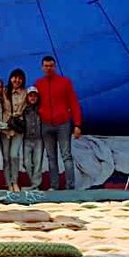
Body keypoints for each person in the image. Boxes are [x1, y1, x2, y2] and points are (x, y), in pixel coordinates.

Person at [34, 55, 83, 190]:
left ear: (55, 67)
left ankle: (70, 186)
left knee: (66, 155)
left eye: (51, 66)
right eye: (46, 66)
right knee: (51, 157)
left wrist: (77, 124)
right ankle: (54, 186)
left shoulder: (65, 82)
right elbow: (33, 103)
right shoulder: (38, 83)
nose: (48, 68)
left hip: (63, 123)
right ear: (42, 67)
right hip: (46, 124)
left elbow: (73, 103)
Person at [1, 68, 28, 192]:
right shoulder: (4, 91)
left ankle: (15, 181)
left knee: (14, 155)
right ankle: (8, 183)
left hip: (18, 126)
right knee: (6, 157)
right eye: (14, 77)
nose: (16, 80)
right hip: (5, 127)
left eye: (19, 78)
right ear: (10, 78)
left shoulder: (26, 93)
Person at [22, 86, 45, 191]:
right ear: (27, 97)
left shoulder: (41, 109)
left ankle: (36, 184)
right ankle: (33, 182)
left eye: (34, 96)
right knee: (26, 162)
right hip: (26, 139)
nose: (32, 98)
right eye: (30, 96)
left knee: (37, 162)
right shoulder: (24, 110)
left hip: (38, 139)